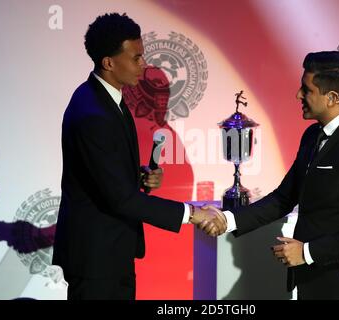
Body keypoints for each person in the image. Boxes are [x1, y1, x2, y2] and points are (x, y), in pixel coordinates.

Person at [52, 13, 225, 300]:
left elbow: (106, 179)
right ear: (109, 62)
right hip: (97, 259)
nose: (143, 65)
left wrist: (139, 176)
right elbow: (119, 198)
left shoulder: (107, 99)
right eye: (136, 58)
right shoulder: (93, 113)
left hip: (111, 252)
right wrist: (193, 213)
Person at [203, 51, 339, 300]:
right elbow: (283, 198)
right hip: (311, 278)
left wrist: (307, 252)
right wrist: (228, 220)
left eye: (307, 90)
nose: (298, 95)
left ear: (332, 98)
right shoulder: (312, 136)